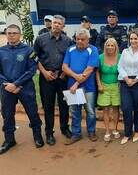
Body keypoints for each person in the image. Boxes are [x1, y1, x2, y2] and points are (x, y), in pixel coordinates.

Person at [0, 24, 44, 154]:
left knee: (32, 113)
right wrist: (7, 84)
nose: (12, 35)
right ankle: (9, 140)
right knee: (7, 115)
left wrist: (17, 84)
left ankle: (37, 136)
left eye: (14, 33)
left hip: (25, 88)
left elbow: (32, 70)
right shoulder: (1, 51)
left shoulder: (29, 50)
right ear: (6, 34)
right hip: (6, 89)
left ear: (20, 35)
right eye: (9, 33)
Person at [34, 15, 73, 146]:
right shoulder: (40, 39)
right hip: (47, 78)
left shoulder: (68, 41)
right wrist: (44, 72)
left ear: (63, 26)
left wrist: (64, 72)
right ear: (51, 24)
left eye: (59, 23)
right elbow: (34, 58)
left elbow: (70, 59)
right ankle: (49, 132)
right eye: (54, 22)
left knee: (64, 105)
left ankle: (64, 128)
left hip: (62, 78)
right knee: (48, 106)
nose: (56, 25)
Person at [62, 28, 99, 145]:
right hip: (72, 88)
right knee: (74, 111)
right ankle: (76, 134)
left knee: (90, 111)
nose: (79, 41)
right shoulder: (70, 49)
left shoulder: (93, 50)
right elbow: (64, 67)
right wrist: (75, 76)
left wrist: (77, 82)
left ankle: (91, 131)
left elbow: (89, 69)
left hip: (88, 87)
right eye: (77, 39)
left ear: (88, 39)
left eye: (82, 39)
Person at [118, 30, 138, 144]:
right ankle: (127, 133)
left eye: (135, 38)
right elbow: (120, 67)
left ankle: (137, 130)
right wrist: (127, 79)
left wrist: (135, 80)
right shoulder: (125, 51)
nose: (133, 41)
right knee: (126, 108)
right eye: (131, 39)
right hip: (125, 82)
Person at [96, 38, 121, 142]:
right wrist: (99, 85)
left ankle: (115, 129)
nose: (110, 47)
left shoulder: (120, 57)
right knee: (105, 109)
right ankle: (107, 131)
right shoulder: (100, 57)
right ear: (105, 46)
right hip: (104, 86)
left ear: (116, 47)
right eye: (108, 45)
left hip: (116, 86)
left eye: (112, 45)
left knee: (116, 109)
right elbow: (97, 72)